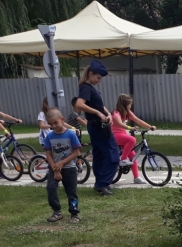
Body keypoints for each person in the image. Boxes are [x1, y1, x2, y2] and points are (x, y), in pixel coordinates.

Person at [75, 60, 119, 196]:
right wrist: (98, 113)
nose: (99, 81)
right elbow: (79, 104)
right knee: (113, 155)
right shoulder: (86, 88)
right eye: (98, 78)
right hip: (97, 126)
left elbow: (98, 105)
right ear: (90, 74)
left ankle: (100, 183)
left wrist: (108, 113)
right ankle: (103, 183)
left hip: (97, 125)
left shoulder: (90, 88)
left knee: (99, 154)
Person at [43, 108, 81, 223]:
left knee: (71, 192)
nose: (53, 126)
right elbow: (48, 154)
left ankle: (74, 214)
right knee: (51, 188)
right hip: (54, 168)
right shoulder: (49, 136)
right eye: (50, 124)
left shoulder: (71, 134)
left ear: (62, 119)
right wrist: (55, 169)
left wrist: (62, 163)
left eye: (56, 123)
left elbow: (76, 152)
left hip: (69, 168)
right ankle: (57, 212)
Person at [111, 94, 156, 185]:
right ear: (125, 105)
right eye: (130, 104)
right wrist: (130, 128)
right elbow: (119, 123)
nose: (131, 106)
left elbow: (138, 120)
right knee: (132, 139)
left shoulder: (127, 113)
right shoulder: (116, 113)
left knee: (133, 156)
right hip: (114, 135)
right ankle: (123, 159)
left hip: (122, 135)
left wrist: (150, 127)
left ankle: (136, 178)